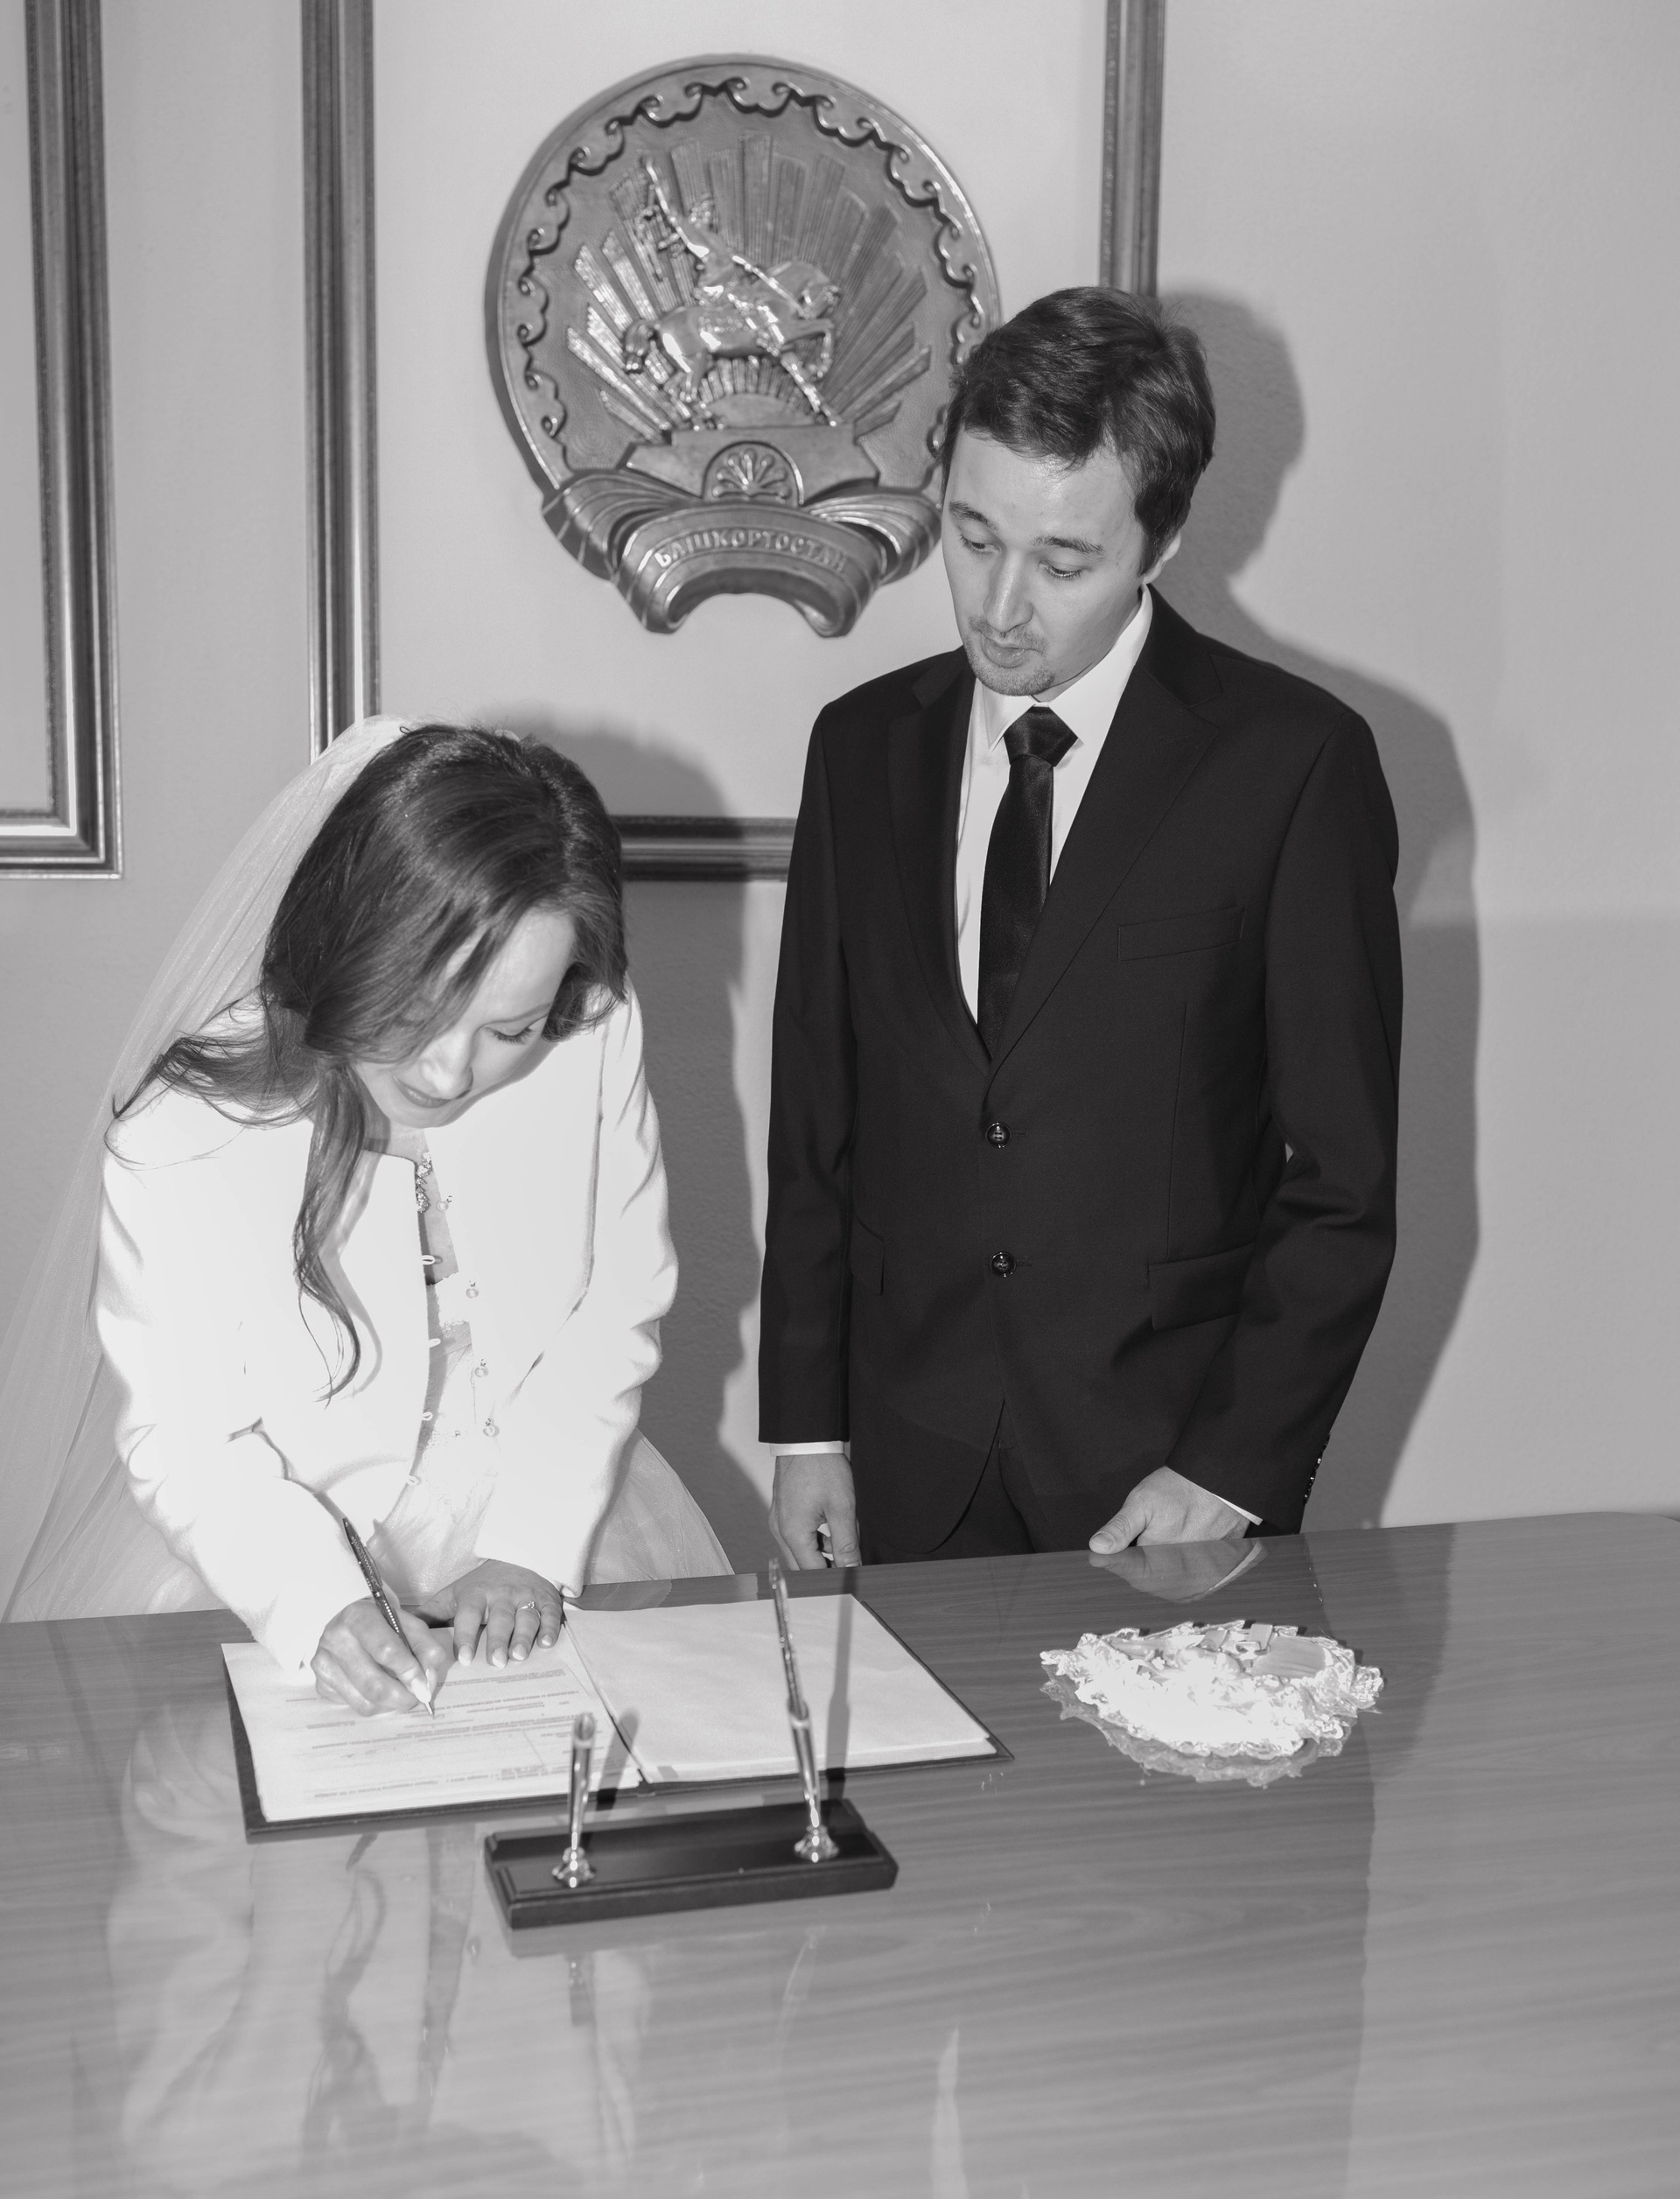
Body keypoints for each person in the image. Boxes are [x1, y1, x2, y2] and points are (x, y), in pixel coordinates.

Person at [760, 287, 1402, 1569]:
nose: (1001, 606)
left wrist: (1232, 1466)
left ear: (1161, 543)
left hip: (1164, 1472)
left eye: (1063, 564)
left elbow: (1343, 1183)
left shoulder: (1293, 766)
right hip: (904, 1455)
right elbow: (815, 1117)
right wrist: (807, 1428)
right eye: (972, 537)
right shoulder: (859, 749)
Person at [0, 720, 728, 1705]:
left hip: (548, 1503)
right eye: (415, 1013)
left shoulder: (589, 1033)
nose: (449, 1072)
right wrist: (316, 1604)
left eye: (511, 1029)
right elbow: (188, 1437)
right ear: (346, 951)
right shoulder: (180, 1140)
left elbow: (616, 1300)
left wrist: (530, 1543)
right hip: (270, 1544)